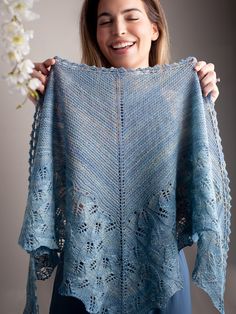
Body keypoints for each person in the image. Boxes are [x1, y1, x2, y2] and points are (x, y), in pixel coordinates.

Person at [28, 1, 221, 313]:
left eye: (131, 17)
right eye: (106, 21)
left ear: (155, 28)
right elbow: (59, 187)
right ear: (95, 33)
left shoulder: (181, 101)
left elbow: (198, 192)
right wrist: (44, 97)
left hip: (162, 274)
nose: (118, 30)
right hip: (85, 272)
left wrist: (204, 103)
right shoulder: (71, 102)